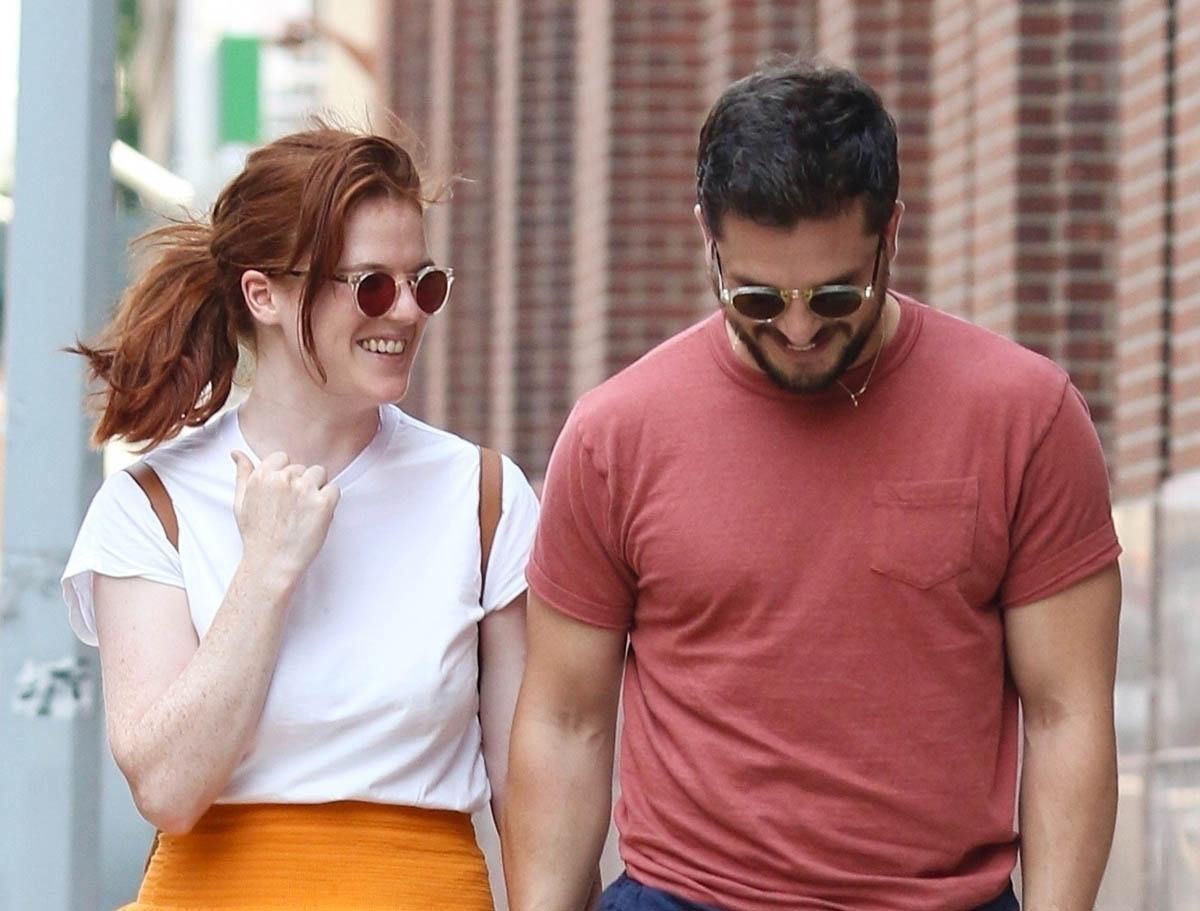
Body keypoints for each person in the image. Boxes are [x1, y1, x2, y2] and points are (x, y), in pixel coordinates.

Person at [503, 61, 1121, 911]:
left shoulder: (1027, 418)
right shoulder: (615, 436)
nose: (797, 328)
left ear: (891, 230)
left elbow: (1067, 714)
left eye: (835, 295)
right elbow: (566, 721)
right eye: (757, 298)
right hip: (687, 895)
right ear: (707, 236)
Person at [62, 125, 537, 909]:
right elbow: (168, 789)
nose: (407, 311)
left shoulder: (483, 495)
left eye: (424, 284)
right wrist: (266, 571)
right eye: (371, 286)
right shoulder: (151, 505)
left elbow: (529, 788)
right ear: (264, 295)